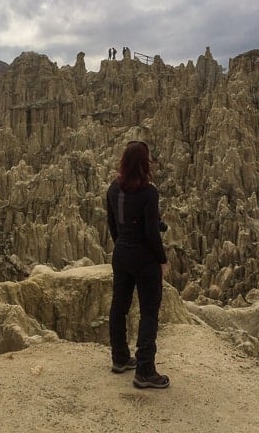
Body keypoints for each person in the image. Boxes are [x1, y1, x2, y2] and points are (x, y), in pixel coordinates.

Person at [106, 140, 170, 389]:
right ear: (144, 163)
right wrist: (162, 260)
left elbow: (111, 224)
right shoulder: (149, 192)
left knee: (118, 306)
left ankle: (119, 357)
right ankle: (145, 370)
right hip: (145, 260)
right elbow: (152, 233)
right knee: (149, 313)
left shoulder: (113, 188)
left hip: (121, 255)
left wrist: (122, 245)